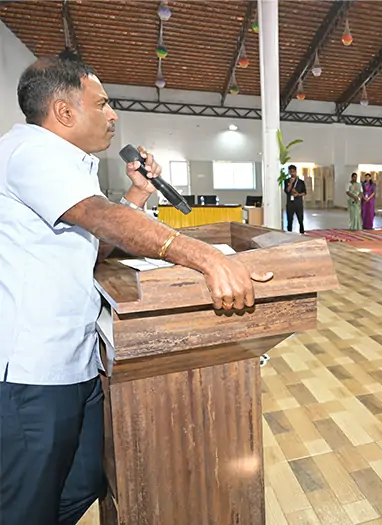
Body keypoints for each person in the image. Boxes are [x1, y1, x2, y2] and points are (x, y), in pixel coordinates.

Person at [0, 55, 272, 525]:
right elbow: (101, 217)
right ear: (64, 111)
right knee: (26, 506)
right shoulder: (30, 152)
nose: (113, 115)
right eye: (102, 104)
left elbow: (94, 246)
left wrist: (138, 195)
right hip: (33, 372)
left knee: (83, 482)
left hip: (75, 360)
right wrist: (205, 257)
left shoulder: (66, 164)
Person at [284, 164, 306, 234]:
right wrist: (290, 183)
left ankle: (302, 233)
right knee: (289, 220)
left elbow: (304, 192)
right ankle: (289, 233)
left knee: (300, 220)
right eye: (291, 172)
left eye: (293, 172)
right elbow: (287, 191)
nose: (292, 173)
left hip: (298, 203)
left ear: (296, 171)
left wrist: (298, 194)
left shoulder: (301, 182)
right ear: (289, 172)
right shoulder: (286, 181)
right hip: (290, 204)